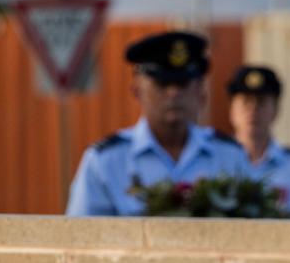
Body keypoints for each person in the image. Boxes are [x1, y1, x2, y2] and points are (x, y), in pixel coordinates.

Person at [66, 30, 251, 216]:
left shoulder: (231, 157)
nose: (173, 93)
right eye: (162, 84)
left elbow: (254, 235)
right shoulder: (105, 162)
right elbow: (82, 240)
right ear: (137, 90)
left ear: (201, 93)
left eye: (183, 84)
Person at [226, 64, 290, 219]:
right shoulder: (213, 160)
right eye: (245, 102)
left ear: (276, 109)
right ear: (232, 109)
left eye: (261, 102)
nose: (253, 110)